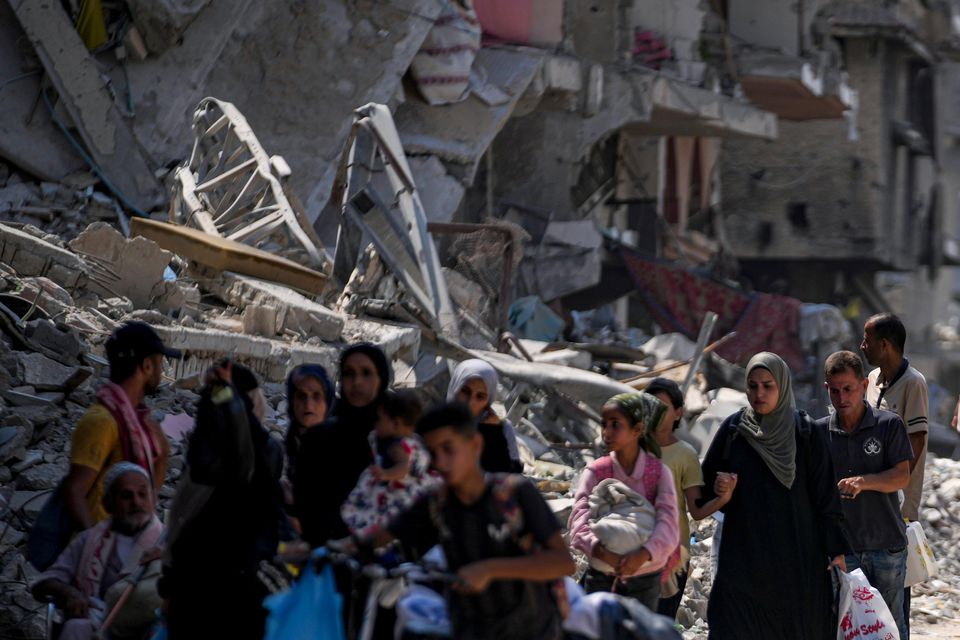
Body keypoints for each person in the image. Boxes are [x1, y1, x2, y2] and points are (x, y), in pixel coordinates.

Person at [348, 402, 575, 640]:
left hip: (530, 630)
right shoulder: (435, 502)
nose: (440, 462)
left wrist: (489, 569)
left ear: (475, 444)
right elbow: (381, 535)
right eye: (432, 453)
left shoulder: (514, 493)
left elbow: (562, 562)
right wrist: (333, 548)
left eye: (449, 449)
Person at [700, 352, 849, 640]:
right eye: (753, 386)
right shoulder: (735, 431)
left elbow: (825, 496)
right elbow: (703, 487)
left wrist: (836, 549)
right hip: (744, 557)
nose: (759, 393)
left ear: (782, 386)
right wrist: (719, 489)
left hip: (797, 557)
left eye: (768, 386)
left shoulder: (805, 433)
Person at [162, 363, 289, 640]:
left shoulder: (203, 455)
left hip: (195, 587)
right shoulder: (263, 453)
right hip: (231, 591)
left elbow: (177, 524)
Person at [816, 350, 912, 640]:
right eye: (835, 391)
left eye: (848, 389)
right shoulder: (819, 433)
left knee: (890, 627)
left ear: (863, 386)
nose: (842, 397)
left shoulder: (888, 425)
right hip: (845, 552)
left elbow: (901, 476)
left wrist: (864, 482)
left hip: (887, 548)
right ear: (826, 389)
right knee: (848, 628)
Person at [568, 392, 681, 611]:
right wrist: (601, 551)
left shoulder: (658, 474)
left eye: (615, 425)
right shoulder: (596, 471)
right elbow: (578, 519)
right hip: (602, 575)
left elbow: (668, 525)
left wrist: (643, 555)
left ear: (637, 430)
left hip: (645, 578)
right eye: (604, 425)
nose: (606, 433)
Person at [64, 321, 178, 530]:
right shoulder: (102, 421)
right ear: (146, 366)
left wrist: (162, 455)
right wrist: (96, 551)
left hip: (126, 547)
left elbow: (146, 494)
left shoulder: (137, 421)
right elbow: (74, 492)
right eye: (160, 364)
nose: (161, 373)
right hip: (102, 552)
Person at [33, 463, 164, 640]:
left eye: (143, 494)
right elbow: (45, 582)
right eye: (126, 495)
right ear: (108, 504)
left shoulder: (168, 540)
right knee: (76, 627)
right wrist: (70, 593)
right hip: (96, 623)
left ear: (153, 499)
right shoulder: (89, 539)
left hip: (146, 628)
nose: (136, 502)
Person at [861, 312, 928, 636]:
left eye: (868, 340)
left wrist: (894, 485)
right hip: (870, 501)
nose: (863, 346)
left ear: (884, 345)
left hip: (897, 505)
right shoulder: (872, 380)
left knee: (896, 590)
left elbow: (915, 442)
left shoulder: (913, 383)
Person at [645, 378, 729, 620]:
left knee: (659, 625)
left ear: (678, 412)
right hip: (633, 550)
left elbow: (696, 511)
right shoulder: (631, 448)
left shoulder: (685, 455)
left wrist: (723, 498)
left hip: (672, 556)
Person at [294, 343, 391, 546]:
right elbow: (306, 506)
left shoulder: (398, 439)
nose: (357, 382)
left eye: (366, 373)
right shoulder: (318, 438)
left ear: (381, 378)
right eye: (348, 373)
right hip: (328, 555)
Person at [341, 388, 439, 537]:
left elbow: (403, 467)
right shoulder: (415, 440)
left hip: (397, 490)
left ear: (396, 423)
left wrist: (385, 474)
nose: (376, 424)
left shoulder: (397, 446)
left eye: (379, 419)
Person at [447, 359, 522, 473]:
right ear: (455, 386)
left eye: (480, 396)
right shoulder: (437, 422)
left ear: (488, 400)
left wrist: (493, 433)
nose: (470, 401)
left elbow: (511, 474)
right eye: (465, 391)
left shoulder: (502, 428)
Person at [283, 363, 335, 481]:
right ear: (292, 401)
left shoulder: (343, 450)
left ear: (327, 401)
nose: (308, 405)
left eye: (316, 396)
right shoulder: (289, 443)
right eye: (301, 396)